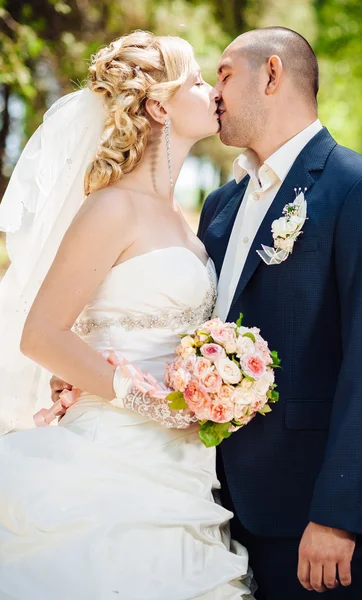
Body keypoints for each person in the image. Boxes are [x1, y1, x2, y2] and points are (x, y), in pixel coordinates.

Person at [0, 31, 254, 599]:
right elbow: (39, 334)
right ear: (160, 106)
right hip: (113, 454)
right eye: (196, 81)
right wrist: (152, 402)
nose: (212, 91)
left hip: (186, 466)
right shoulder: (112, 205)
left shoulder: (185, 220)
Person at [197, 26, 362, 599]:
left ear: (272, 74)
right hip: (205, 504)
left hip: (306, 512)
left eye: (225, 74)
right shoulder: (221, 204)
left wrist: (338, 515)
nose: (215, 93)